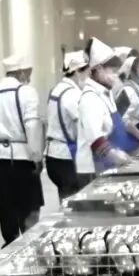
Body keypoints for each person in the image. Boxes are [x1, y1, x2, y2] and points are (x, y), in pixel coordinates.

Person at [0, 54, 44, 247]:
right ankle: (29, 246)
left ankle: (10, 245)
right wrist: (37, 156)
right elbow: (32, 126)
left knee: (5, 207)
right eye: (28, 73)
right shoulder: (27, 93)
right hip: (22, 158)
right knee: (29, 207)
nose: (29, 77)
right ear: (21, 72)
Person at [76, 38, 134, 183]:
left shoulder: (106, 94)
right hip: (94, 169)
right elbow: (95, 139)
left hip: (108, 165)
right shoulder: (90, 97)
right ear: (99, 69)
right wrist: (115, 155)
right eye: (113, 71)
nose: (115, 76)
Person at [45, 51, 91, 201]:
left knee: (65, 199)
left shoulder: (57, 89)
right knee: (73, 203)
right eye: (87, 72)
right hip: (66, 157)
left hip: (53, 155)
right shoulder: (72, 94)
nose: (88, 77)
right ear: (77, 72)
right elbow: (83, 126)